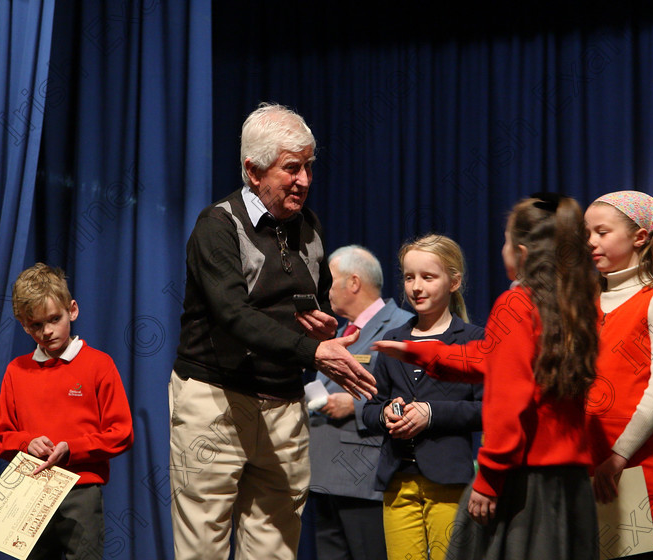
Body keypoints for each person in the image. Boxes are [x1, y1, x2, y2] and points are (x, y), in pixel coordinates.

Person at [169, 102, 377, 560]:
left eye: (308, 166)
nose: (304, 179)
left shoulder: (310, 227)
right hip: (216, 399)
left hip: (284, 403)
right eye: (291, 168)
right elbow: (234, 315)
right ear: (252, 169)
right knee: (202, 547)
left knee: (275, 549)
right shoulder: (217, 225)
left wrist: (323, 328)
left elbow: (315, 303)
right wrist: (313, 352)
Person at [374, 194, 600, 560]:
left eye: (506, 240)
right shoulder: (573, 303)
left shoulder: (516, 304)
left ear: (522, 252)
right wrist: (420, 350)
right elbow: (492, 359)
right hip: (570, 482)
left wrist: (489, 478)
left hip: (526, 480)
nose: (502, 248)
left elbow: (509, 397)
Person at [0, 263, 134, 559]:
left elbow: (121, 433)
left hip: (81, 491)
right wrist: (25, 442)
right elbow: (2, 436)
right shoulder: (16, 370)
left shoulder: (99, 364)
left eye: (54, 319)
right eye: (34, 325)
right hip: (30, 491)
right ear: (22, 324)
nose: (46, 331)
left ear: (72, 310)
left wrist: (73, 449)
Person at [361, 234, 484, 560]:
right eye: (409, 277)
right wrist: (386, 411)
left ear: (454, 281)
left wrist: (432, 413)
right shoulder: (394, 339)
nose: (416, 286)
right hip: (397, 481)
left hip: (449, 483)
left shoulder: (473, 339)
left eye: (428, 277)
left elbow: (488, 409)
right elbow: (369, 409)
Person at [584, 191, 653, 558]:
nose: (591, 242)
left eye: (602, 232)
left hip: (628, 468)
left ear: (640, 237)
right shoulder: (585, 300)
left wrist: (617, 457)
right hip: (581, 464)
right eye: (588, 233)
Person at [308, 245, 413, 560]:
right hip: (324, 477)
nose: (325, 290)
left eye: (330, 281)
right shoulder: (342, 332)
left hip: (364, 479)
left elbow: (411, 399)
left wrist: (352, 408)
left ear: (353, 283)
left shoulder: (402, 328)